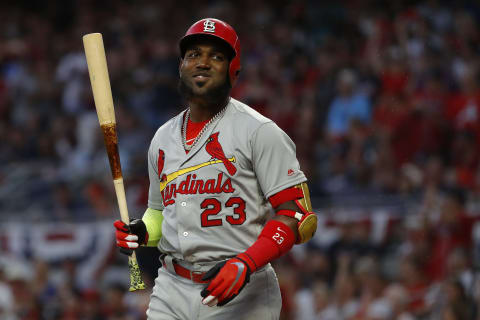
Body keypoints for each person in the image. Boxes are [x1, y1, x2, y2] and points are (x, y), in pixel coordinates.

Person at [113, 18, 317, 320]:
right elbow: (159, 213)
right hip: (171, 287)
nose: (203, 63)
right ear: (181, 65)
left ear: (234, 70)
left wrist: (246, 263)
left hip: (241, 289)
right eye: (194, 54)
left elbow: (299, 216)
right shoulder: (162, 138)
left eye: (216, 56)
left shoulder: (259, 131)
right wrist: (142, 231)